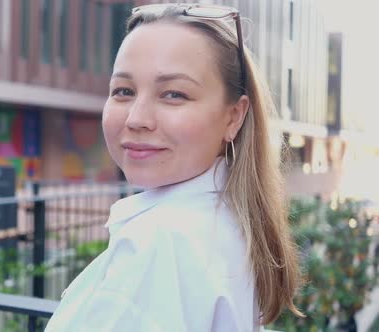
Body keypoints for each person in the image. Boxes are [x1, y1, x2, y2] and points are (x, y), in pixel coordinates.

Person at [45, 3, 302, 331]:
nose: (137, 118)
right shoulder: (226, 219)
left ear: (234, 116)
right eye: (124, 91)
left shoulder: (158, 243)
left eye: (174, 94)